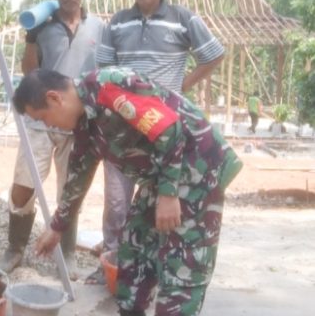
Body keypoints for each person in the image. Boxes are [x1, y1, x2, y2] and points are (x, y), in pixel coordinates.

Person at [14, 67, 242, 316]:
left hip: (198, 169)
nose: (48, 125)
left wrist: (167, 194)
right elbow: (79, 174)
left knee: (182, 265)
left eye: (43, 118)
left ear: (54, 98)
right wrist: (57, 226)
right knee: (135, 249)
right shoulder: (83, 121)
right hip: (163, 176)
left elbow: (170, 131)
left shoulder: (108, 88)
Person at [90, 0, 225, 285]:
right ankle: (114, 263)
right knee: (118, 202)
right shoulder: (118, 22)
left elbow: (213, 54)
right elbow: (105, 72)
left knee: (164, 202)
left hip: (167, 129)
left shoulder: (182, 18)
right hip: (123, 129)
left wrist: (183, 86)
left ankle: (156, 270)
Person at [0, 0, 105, 280]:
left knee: (70, 189)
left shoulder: (99, 28)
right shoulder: (42, 26)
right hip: (41, 121)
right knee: (23, 187)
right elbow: (30, 73)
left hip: (78, 121)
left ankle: (67, 253)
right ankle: (15, 249)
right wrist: (31, 37)